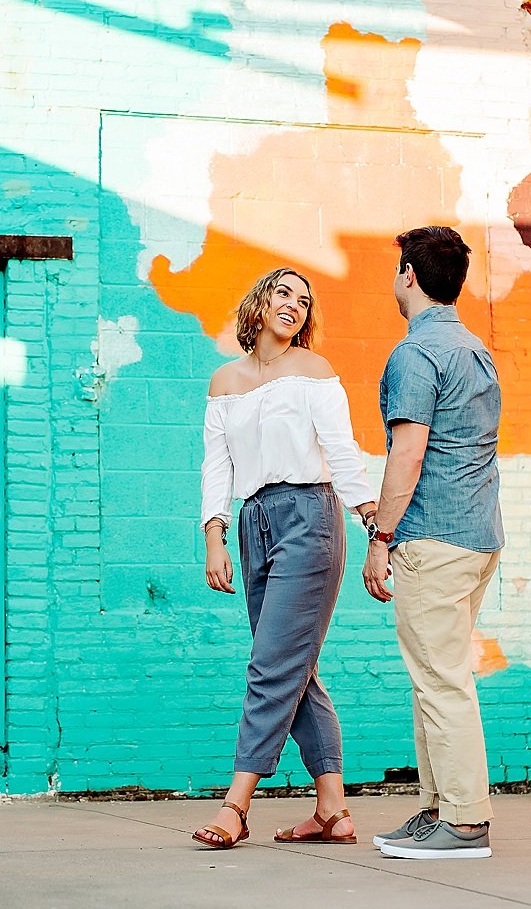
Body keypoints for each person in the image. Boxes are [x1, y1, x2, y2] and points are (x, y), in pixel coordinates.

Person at [190, 267, 377, 850]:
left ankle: (235, 806)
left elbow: (343, 453)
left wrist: (376, 526)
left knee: (272, 666)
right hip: (254, 524)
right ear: (260, 302)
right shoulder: (225, 381)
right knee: (294, 668)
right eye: (283, 293)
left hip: (311, 520)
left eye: (304, 300)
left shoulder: (314, 373)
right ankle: (332, 812)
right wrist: (214, 535)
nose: (294, 305)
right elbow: (216, 465)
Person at [361, 226, 504, 860]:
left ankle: (465, 824)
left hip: (434, 539)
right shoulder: (476, 351)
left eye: (398, 269)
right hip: (477, 539)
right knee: (434, 677)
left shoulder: (415, 355)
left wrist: (380, 536)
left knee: (441, 680)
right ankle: (440, 806)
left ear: (409, 276)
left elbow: (408, 453)